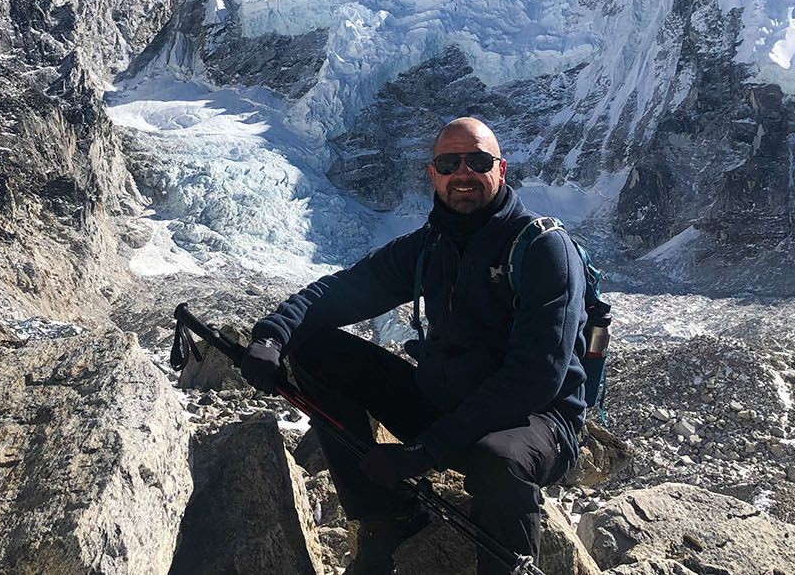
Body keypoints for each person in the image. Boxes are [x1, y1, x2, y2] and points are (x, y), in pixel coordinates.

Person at [242, 117, 589, 575]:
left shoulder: (543, 249)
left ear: (501, 170)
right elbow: (340, 292)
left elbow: (535, 378)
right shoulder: (430, 246)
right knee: (313, 348)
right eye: (449, 162)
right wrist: (273, 336)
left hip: (534, 423)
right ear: (433, 174)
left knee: (496, 461)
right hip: (445, 405)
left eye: (478, 161)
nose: (462, 172)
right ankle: (387, 518)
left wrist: (426, 452)